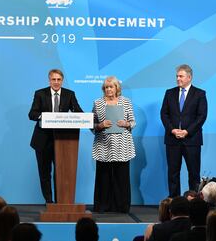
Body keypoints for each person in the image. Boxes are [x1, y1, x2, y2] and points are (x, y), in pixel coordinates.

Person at [28, 69, 83, 203]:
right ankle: (49, 202)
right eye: (54, 79)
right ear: (49, 80)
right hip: (42, 140)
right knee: (45, 173)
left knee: (61, 173)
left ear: (62, 81)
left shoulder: (69, 94)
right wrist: (45, 117)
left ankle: (61, 202)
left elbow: (79, 112)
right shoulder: (40, 94)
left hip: (63, 141)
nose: (56, 82)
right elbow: (32, 114)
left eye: (59, 79)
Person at [160, 64, 207, 197]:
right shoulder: (169, 93)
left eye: (181, 76)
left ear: (189, 77)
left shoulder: (200, 94)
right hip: (172, 140)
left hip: (191, 140)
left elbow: (202, 116)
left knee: (194, 174)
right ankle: (174, 202)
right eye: (177, 76)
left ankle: (194, 203)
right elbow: (164, 114)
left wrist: (187, 131)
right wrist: (172, 130)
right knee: (173, 173)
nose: (178, 79)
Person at [92, 76, 135, 213]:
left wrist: (126, 124)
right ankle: (102, 206)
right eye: (106, 87)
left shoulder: (126, 102)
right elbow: (91, 124)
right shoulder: (98, 103)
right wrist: (100, 125)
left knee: (121, 177)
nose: (108, 89)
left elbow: (133, 121)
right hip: (103, 145)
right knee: (103, 177)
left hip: (122, 146)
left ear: (117, 88)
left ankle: (121, 207)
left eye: (111, 87)